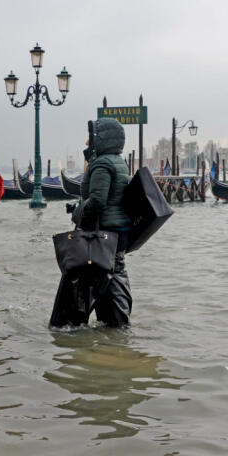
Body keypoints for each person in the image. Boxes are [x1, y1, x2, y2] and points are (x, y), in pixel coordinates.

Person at [50, 118, 132, 328]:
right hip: (117, 233)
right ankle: (114, 332)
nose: (87, 142)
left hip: (103, 233)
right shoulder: (118, 161)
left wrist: (77, 212)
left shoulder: (103, 164)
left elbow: (97, 201)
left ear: (102, 139)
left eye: (92, 137)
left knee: (96, 282)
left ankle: (78, 331)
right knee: (111, 276)